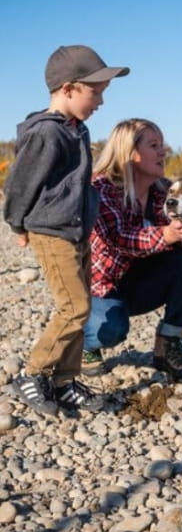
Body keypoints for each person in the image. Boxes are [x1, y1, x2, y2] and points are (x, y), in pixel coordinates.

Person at [4, 44, 130, 416]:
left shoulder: (78, 130)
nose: (101, 102)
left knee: (82, 304)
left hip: (77, 229)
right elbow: (20, 185)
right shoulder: (46, 134)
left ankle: (64, 381)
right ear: (68, 88)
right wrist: (17, 223)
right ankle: (33, 373)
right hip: (51, 230)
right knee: (73, 307)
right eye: (95, 92)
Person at [82, 118, 182, 380]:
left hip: (140, 282)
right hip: (103, 286)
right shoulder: (100, 189)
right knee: (110, 331)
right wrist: (167, 234)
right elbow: (119, 237)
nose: (163, 151)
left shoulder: (163, 192)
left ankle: (168, 345)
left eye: (162, 144)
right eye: (154, 145)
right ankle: (85, 345)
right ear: (130, 153)